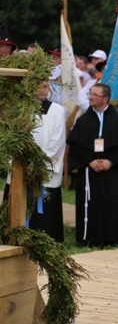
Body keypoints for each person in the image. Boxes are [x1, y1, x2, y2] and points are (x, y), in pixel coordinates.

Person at [67, 83, 118, 246]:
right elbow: (75, 144)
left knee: (116, 202)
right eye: (90, 94)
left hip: (113, 170)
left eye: (94, 95)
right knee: (90, 204)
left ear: (105, 99)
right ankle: (91, 238)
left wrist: (110, 162)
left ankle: (117, 236)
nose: (90, 97)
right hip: (90, 169)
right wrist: (90, 161)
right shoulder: (83, 120)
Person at [5, 81, 66, 242]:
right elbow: (13, 138)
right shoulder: (19, 110)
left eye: (45, 86)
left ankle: (44, 238)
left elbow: (57, 141)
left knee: (43, 213)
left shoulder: (57, 111)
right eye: (37, 86)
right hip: (21, 167)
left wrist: (38, 164)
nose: (41, 90)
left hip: (45, 168)